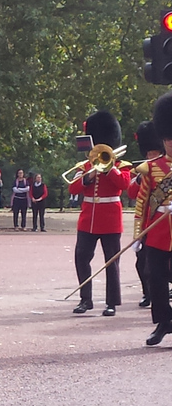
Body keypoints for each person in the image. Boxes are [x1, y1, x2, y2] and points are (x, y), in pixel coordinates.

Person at [69, 110, 131, 317]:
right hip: (88, 220)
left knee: (111, 262)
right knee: (81, 258)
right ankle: (85, 299)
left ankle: (112, 302)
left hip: (111, 219)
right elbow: (73, 188)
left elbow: (124, 185)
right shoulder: (85, 165)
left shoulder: (121, 165)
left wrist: (109, 168)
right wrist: (90, 175)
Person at [135, 92, 172, 344]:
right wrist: (139, 234)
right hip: (158, 232)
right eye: (168, 138)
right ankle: (163, 322)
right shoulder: (152, 167)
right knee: (154, 277)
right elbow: (142, 202)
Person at [128, 121, 164, 308]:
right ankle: (147, 292)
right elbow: (132, 194)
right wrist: (140, 179)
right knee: (141, 263)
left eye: (154, 153)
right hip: (147, 221)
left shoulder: (166, 168)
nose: (151, 156)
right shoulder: (143, 170)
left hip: (164, 223)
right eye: (148, 153)